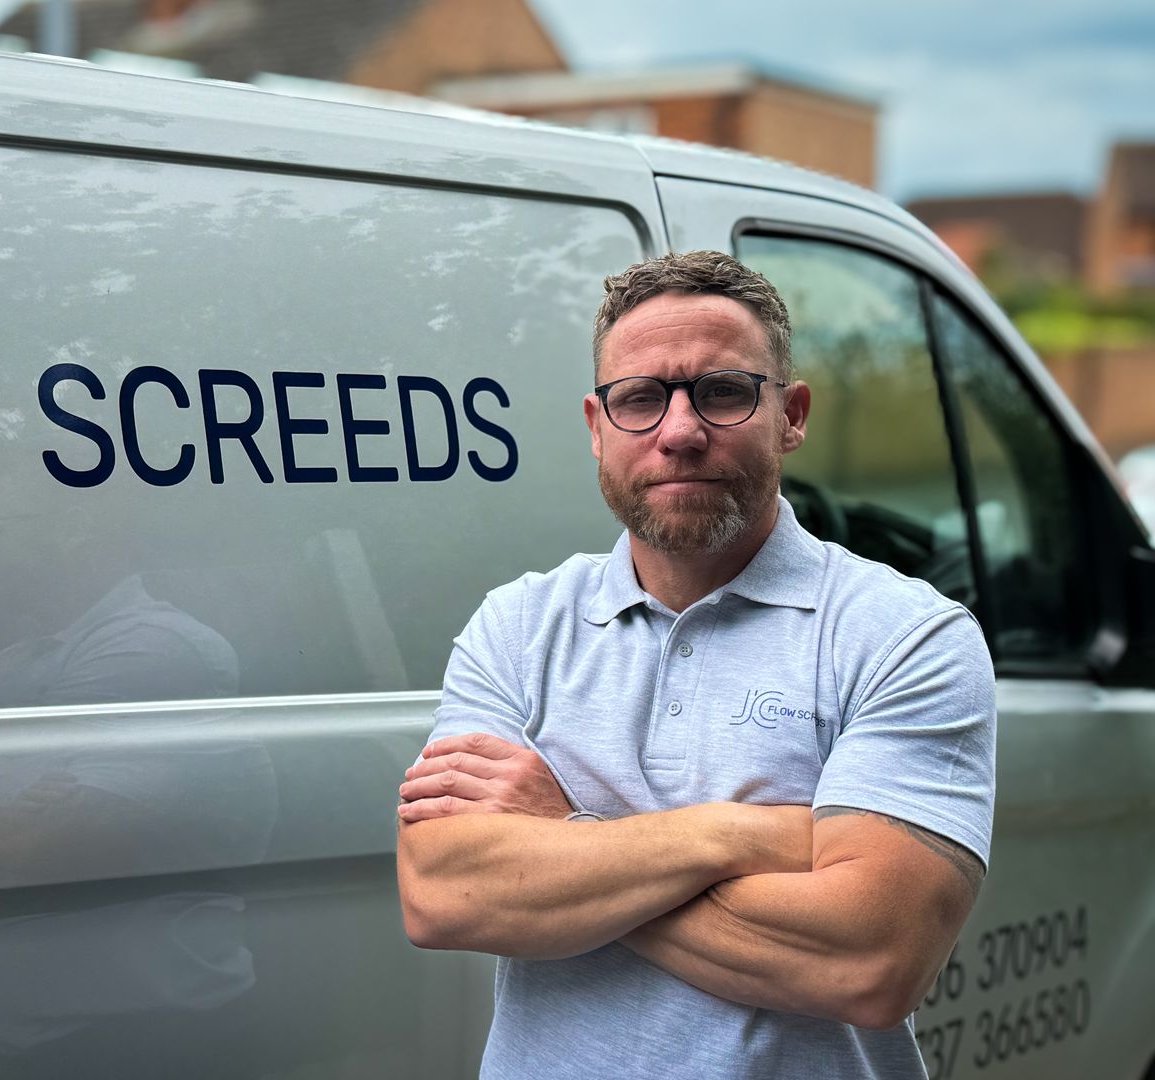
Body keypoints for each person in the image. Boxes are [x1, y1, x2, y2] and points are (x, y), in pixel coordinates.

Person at [395, 250, 995, 1079]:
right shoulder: (519, 625)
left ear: (791, 413)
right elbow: (441, 894)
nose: (679, 431)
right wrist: (743, 835)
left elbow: (869, 964)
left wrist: (563, 842)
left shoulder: (905, 636)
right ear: (595, 427)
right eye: (640, 398)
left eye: (722, 391)